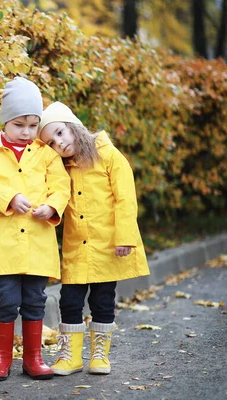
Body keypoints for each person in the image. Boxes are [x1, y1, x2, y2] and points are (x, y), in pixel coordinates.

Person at [0, 78, 71, 381]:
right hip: (2, 243)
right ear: (5, 122)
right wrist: (10, 198)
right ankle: (1, 359)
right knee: (6, 299)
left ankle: (33, 358)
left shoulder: (45, 153)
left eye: (32, 125)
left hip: (37, 241)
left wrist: (51, 207)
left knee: (35, 300)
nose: (26, 132)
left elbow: (61, 186)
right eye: (19, 125)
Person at [38, 101, 150, 376]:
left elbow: (125, 200)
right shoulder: (62, 168)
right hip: (77, 247)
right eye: (51, 143)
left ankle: (100, 356)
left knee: (102, 300)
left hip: (107, 245)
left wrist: (124, 237)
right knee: (70, 301)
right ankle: (71, 356)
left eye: (60, 133)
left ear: (74, 125)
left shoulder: (109, 156)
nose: (59, 144)